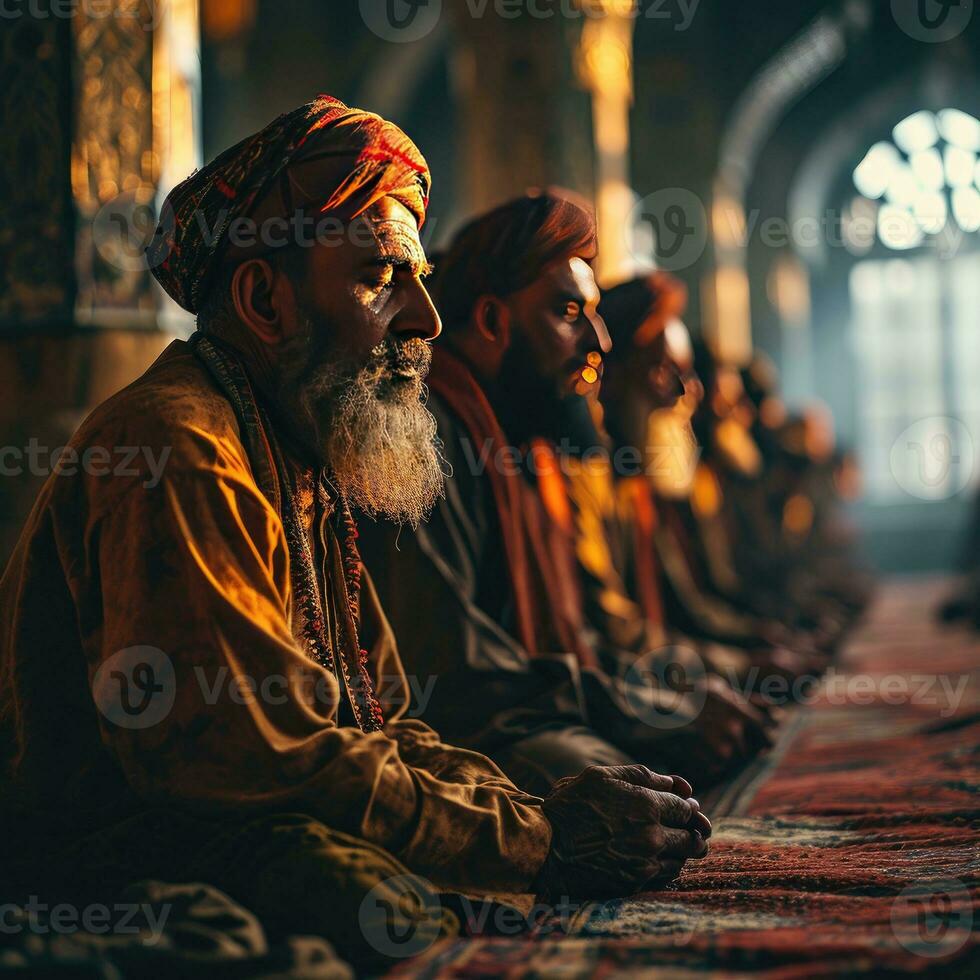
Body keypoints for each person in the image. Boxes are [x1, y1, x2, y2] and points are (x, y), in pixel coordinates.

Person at [0, 99, 709, 969]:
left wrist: (534, 808)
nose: (426, 320)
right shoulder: (179, 445)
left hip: (250, 812)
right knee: (367, 902)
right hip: (116, 844)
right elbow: (254, 762)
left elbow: (383, 723)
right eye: (381, 277)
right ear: (264, 297)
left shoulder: (298, 453)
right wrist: (536, 839)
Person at [360, 189, 763, 794]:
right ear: (494, 322)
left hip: (536, 709)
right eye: (570, 315)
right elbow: (457, 674)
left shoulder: (521, 448)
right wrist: (651, 713)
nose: (600, 344)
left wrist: (667, 699)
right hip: (475, 731)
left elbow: (588, 638)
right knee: (635, 785)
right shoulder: (424, 435)